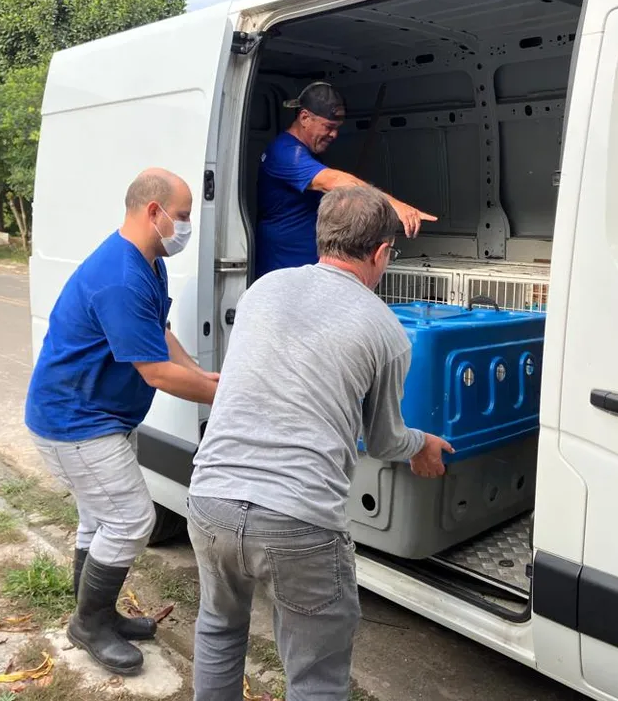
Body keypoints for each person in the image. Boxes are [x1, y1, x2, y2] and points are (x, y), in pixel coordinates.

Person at [186, 185, 453, 700]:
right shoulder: (385, 328)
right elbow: (382, 438)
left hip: (210, 497)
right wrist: (421, 444)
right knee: (317, 677)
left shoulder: (262, 290)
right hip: (298, 519)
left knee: (219, 628)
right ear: (380, 253)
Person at [24, 167, 219, 676]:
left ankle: (98, 614)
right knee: (132, 518)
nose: (185, 227)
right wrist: (226, 394)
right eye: (182, 217)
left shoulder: (147, 263)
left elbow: (162, 334)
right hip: (76, 421)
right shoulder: (121, 275)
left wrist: (203, 375)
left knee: (99, 518)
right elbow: (155, 372)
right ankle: (88, 625)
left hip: (98, 415)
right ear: (153, 212)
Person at [254, 80, 438, 278]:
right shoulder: (286, 154)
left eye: (337, 127)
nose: (334, 134)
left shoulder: (306, 153)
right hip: (284, 273)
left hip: (307, 272)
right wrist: (394, 205)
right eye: (328, 126)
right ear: (305, 117)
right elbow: (333, 181)